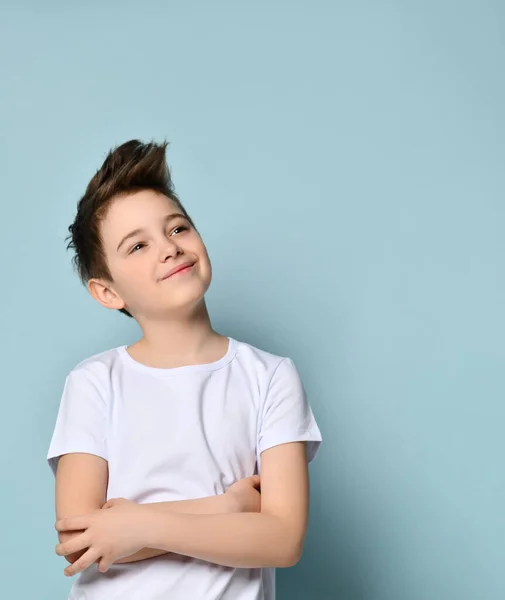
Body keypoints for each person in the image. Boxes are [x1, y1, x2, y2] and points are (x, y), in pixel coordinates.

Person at [47, 139, 323, 600]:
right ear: (108, 292)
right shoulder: (94, 383)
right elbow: (81, 543)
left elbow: (283, 539)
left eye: (177, 229)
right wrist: (227, 507)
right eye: (137, 245)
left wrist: (137, 526)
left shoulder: (270, 376)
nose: (169, 249)